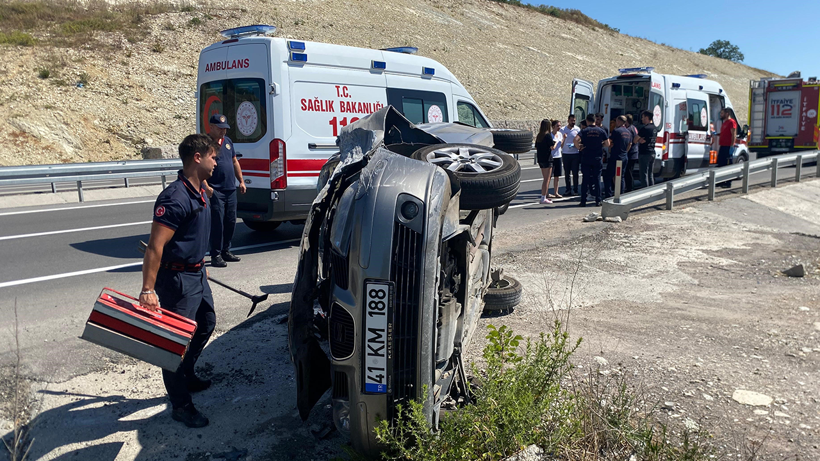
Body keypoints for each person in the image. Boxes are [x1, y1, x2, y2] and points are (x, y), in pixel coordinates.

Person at [140, 134, 219, 428]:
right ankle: (181, 405)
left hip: (196, 273)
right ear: (197, 158)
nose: (216, 161)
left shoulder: (199, 190)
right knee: (174, 343)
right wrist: (148, 290)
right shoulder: (175, 198)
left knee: (207, 322)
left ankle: (187, 373)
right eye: (212, 156)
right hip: (177, 280)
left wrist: (200, 264)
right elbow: (154, 247)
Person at [203, 114, 246, 268]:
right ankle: (215, 254)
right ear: (212, 127)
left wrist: (241, 181)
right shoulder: (205, 143)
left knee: (230, 221)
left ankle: (226, 250)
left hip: (230, 188)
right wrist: (206, 187)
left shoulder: (227, 142)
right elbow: (200, 167)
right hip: (216, 190)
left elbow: (234, 161)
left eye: (225, 129)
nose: (223, 132)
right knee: (217, 223)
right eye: (220, 129)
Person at [574, 114, 609, 207]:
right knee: (597, 179)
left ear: (587, 121)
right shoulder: (601, 131)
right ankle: (598, 200)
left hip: (586, 157)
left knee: (585, 179)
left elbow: (575, 140)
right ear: (595, 120)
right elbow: (607, 143)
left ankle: (583, 201)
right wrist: (600, 144)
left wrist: (579, 147)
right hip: (597, 157)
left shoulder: (584, 131)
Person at [603, 116, 632, 199]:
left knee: (608, 176)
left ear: (618, 121)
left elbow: (609, 142)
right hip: (624, 157)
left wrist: (609, 148)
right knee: (621, 177)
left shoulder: (616, 131)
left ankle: (608, 195)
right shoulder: (628, 132)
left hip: (615, 156)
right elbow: (630, 144)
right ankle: (620, 195)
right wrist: (625, 152)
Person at [558, 114, 581, 196]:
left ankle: (575, 189)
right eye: (571, 120)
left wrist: (577, 145)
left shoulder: (577, 129)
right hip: (566, 153)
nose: (573, 122)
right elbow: (560, 141)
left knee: (575, 173)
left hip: (575, 153)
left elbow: (580, 140)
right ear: (568, 120)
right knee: (567, 173)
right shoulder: (563, 130)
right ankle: (568, 189)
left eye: (574, 120)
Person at [635, 110, 657, 189]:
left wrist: (639, 140)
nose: (642, 119)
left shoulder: (645, 128)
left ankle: (645, 191)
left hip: (644, 153)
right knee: (650, 173)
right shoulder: (654, 128)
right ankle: (652, 190)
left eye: (643, 117)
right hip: (652, 152)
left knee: (643, 174)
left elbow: (635, 140)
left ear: (647, 117)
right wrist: (641, 140)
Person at [534, 119, 554, 204]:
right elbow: (552, 147)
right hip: (547, 159)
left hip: (540, 158)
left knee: (545, 178)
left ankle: (544, 196)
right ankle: (543, 197)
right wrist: (556, 143)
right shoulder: (547, 135)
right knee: (547, 179)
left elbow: (536, 147)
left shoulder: (539, 135)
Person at [716, 108, 737, 188]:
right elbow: (724, 134)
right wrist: (717, 134)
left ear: (727, 113)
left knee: (728, 165)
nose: (721, 115)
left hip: (728, 146)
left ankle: (728, 183)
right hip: (723, 146)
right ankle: (720, 181)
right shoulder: (725, 123)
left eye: (722, 113)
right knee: (721, 164)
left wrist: (731, 146)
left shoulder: (732, 122)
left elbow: (733, 134)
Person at [624, 114, 640, 193]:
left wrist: (625, 151)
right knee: (629, 171)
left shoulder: (629, 129)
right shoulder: (634, 128)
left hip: (631, 153)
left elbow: (629, 142)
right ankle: (630, 187)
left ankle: (629, 188)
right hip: (634, 153)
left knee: (628, 172)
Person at [549, 120, 563, 198]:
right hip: (551, 157)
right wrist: (556, 142)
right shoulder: (550, 135)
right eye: (558, 126)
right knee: (549, 176)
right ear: (553, 126)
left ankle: (556, 192)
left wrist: (563, 140)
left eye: (560, 126)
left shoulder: (560, 134)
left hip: (558, 156)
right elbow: (552, 148)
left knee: (557, 176)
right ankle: (546, 192)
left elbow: (561, 146)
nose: (559, 127)